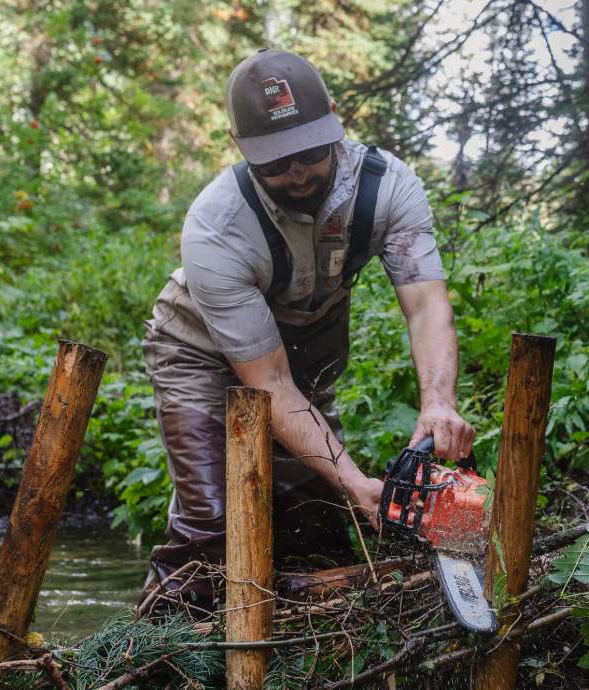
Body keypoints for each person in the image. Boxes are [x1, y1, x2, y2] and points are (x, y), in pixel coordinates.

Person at [139, 49, 475, 615]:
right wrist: (353, 477)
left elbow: (425, 306)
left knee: (317, 529)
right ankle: (158, 654)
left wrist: (438, 404)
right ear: (238, 145)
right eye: (274, 163)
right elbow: (267, 383)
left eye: (309, 154)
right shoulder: (215, 225)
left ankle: (298, 649)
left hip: (303, 343)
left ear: (335, 120)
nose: (296, 173)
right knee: (212, 526)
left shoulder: (388, 188)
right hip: (196, 351)